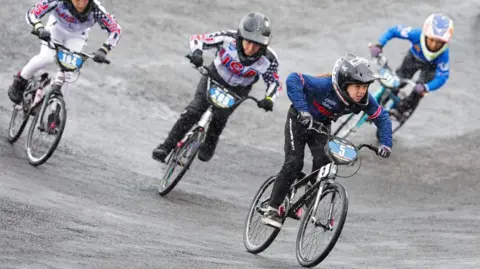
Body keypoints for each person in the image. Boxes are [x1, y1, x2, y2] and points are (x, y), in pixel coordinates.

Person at [261, 53, 393, 229]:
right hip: (299, 120)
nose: (362, 91)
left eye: (366, 86)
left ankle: (307, 196)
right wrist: (302, 110)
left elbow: (382, 118)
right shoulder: (325, 85)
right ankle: (272, 208)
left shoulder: (365, 100)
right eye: (357, 86)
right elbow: (294, 79)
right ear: (344, 85)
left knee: (325, 164)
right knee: (294, 162)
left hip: (321, 127)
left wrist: (385, 143)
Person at [152, 12, 281, 163]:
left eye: (257, 44)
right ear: (240, 37)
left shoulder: (269, 59)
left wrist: (269, 99)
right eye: (248, 42)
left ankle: (210, 143)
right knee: (194, 110)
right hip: (214, 76)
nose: (251, 48)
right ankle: (166, 147)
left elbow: (274, 82)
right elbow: (198, 39)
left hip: (238, 89)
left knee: (221, 116)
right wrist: (197, 53)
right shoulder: (227, 38)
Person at [8, 0, 122, 124]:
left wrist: (104, 49)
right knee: (46, 57)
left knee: (68, 73)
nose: (81, 4)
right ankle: (19, 81)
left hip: (77, 37)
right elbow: (32, 12)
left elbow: (115, 29)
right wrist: (39, 27)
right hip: (55, 29)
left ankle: (55, 113)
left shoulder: (96, 10)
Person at [369, 13, 453, 119]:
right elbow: (394, 31)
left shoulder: (443, 54)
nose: (434, 45)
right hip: (413, 58)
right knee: (397, 80)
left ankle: (399, 111)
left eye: (439, 42)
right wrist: (379, 45)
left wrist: (426, 87)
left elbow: (443, 76)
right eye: (431, 39)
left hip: (430, 67)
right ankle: (379, 103)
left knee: (418, 92)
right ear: (425, 34)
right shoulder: (416, 34)